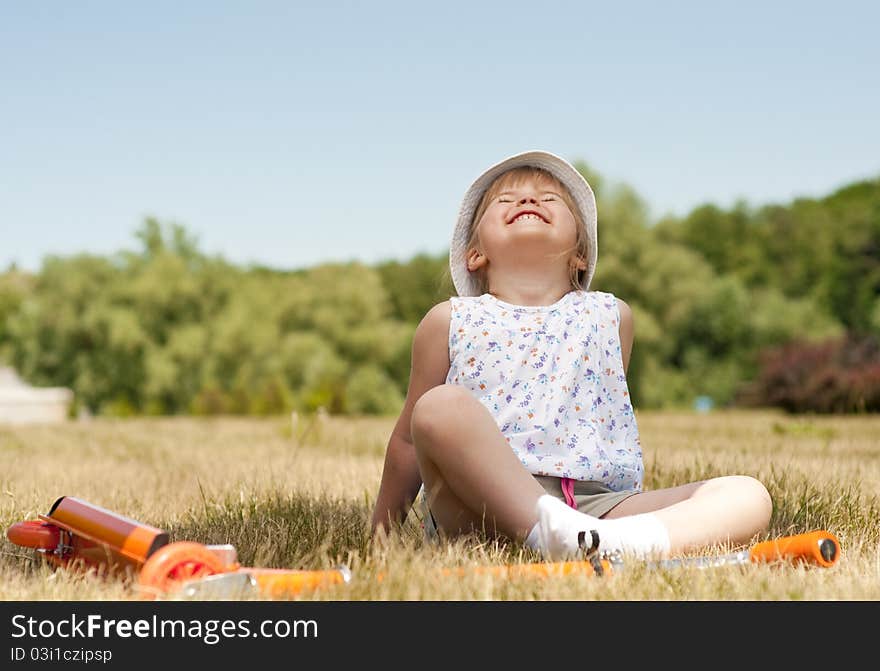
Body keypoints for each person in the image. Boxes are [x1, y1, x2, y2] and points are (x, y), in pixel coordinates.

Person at [370, 150, 772, 561]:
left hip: (591, 505)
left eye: (549, 199)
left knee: (748, 495)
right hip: (477, 509)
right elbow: (407, 441)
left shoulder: (611, 317)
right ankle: (560, 534)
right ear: (475, 254)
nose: (528, 202)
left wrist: (592, 521)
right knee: (437, 408)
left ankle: (609, 544)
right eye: (504, 201)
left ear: (580, 253)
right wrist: (380, 540)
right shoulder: (449, 320)